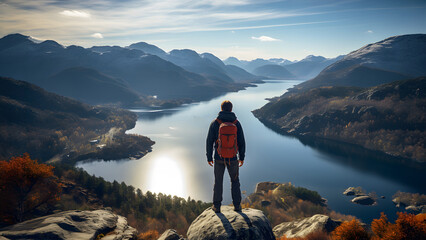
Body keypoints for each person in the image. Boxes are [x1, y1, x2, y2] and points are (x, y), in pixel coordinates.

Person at [206, 100, 245, 213]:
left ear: (221, 108)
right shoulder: (236, 123)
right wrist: (241, 157)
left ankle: (217, 206)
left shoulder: (215, 122)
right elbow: (242, 142)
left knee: (218, 181)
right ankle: (237, 206)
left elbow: (209, 141)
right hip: (233, 158)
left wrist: (209, 157)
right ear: (231, 109)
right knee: (235, 181)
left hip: (218, 158)